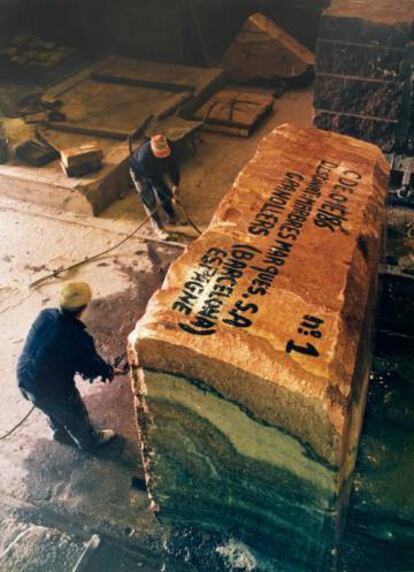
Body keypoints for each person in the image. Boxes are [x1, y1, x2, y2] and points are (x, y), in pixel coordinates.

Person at [16, 281, 119, 452]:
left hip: (24, 379)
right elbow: (90, 366)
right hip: (52, 390)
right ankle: (89, 441)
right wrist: (108, 371)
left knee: (49, 408)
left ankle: (58, 431)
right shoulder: (76, 336)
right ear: (83, 307)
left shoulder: (45, 315)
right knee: (73, 412)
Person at [130, 134, 180, 238]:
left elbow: (174, 166)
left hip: (155, 168)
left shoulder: (171, 146)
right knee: (150, 200)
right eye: (160, 155)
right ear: (154, 151)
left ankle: (171, 216)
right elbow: (156, 182)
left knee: (163, 195)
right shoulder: (144, 158)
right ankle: (159, 228)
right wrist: (171, 196)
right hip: (141, 174)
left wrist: (175, 184)